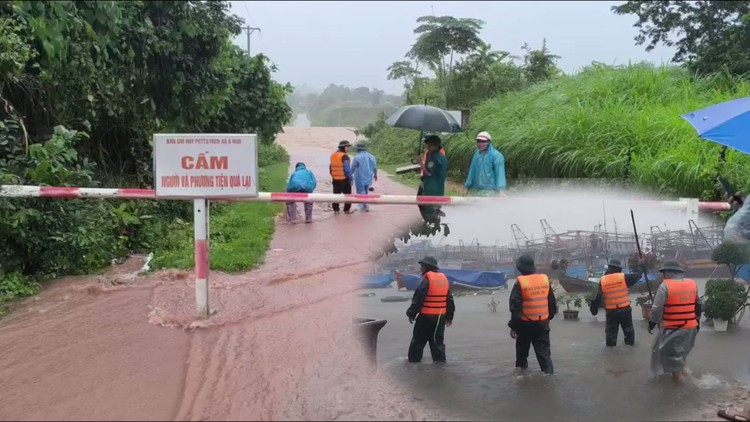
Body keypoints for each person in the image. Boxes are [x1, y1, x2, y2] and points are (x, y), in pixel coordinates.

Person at [648, 261, 702, 383]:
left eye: (664, 273)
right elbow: (698, 304)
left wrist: (651, 324)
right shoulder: (692, 284)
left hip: (674, 328)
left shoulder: (665, 286)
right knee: (681, 353)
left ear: (669, 273)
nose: (663, 276)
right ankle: (686, 372)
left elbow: (656, 309)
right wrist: (697, 321)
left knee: (672, 357)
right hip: (691, 328)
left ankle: (679, 387)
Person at [508, 254, 557, 374]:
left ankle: (522, 379)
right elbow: (551, 302)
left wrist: (513, 327)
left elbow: (515, 307)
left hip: (525, 325)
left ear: (519, 268)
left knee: (521, 356)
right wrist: (548, 317)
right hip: (542, 324)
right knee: (545, 356)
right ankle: (550, 379)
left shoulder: (520, 282)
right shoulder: (544, 279)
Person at [406, 256, 455, 363]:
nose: (420, 268)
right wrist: (449, 317)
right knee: (437, 343)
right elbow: (449, 300)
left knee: (418, 342)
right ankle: (440, 366)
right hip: (440, 318)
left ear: (426, 267)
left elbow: (418, 298)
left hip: (426, 317)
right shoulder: (443, 279)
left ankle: (413, 365)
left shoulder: (427, 280)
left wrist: (411, 313)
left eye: (422, 266)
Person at [588, 259, 644, 347]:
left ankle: (610, 354)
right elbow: (637, 276)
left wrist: (594, 310)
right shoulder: (624, 277)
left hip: (611, 312)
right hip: (625, 310)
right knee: (628, 331)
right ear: (618, 268)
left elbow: (597, 297)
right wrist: (641, 266)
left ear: (609, 267)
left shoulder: (603, 280)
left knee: (611, 335)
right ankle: (630, 350)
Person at [463, 131, 506, 196]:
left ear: (489, 142)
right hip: (477, 190)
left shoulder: (497, 156)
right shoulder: (477, 155)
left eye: (483, 141)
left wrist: (501, 191)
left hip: (492, 192)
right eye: (478, 141)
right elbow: (472, 172)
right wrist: (467, 187)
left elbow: (500, 173)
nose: (480, 144)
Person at [418, 135, 448, 221]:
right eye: (427, 144)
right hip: (437, 188)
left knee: (428, 209)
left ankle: (432, 227)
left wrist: (420, 163)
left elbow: (428, 173)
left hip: (431, 189)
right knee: (432, 208)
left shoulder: (434, 158)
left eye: (429, 145)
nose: (427, 147)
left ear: (435, 145)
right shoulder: (440, 157)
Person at [350, 143, 378, 212]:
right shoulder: (372, 156)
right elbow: (375, 167)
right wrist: (375, 174)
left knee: (360, 191)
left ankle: (364, 205)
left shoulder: (357, 157)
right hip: (369, 176)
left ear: (358, 149)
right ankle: (365, 205)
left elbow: (353, 168)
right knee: (366, 191)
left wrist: (349, 176)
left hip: (360, 177)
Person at [329, 140, 353, 214]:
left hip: (335, 179)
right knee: (348, 195)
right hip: (344, 179)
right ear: (344, 147)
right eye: (348, 147)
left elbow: (330, 167)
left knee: (336, 195)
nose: (349, 149)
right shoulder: (345, 156)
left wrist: (333, 175)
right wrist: (351, 179)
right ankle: (346, 210)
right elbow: (347, 169)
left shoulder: (333, 155)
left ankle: (336, 210)